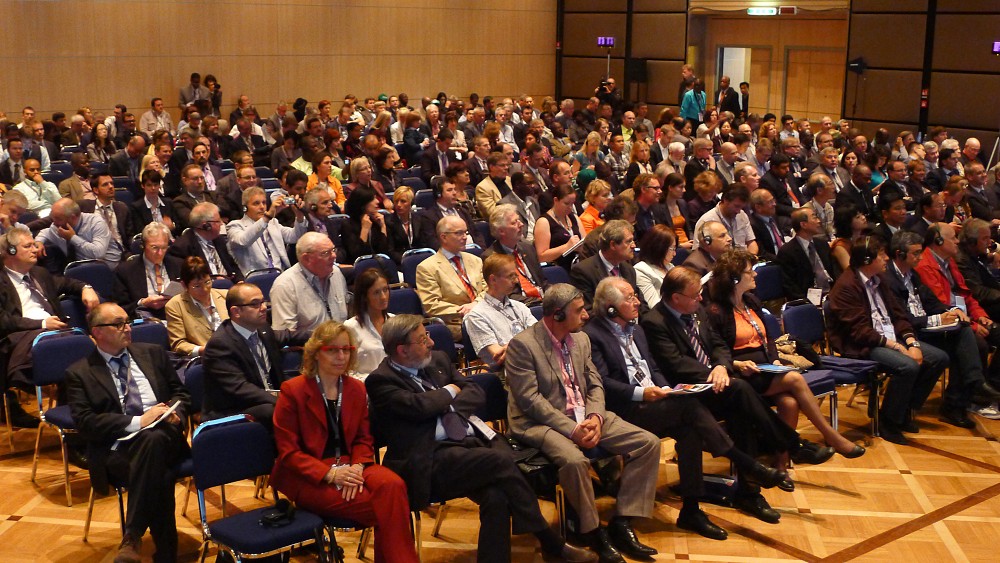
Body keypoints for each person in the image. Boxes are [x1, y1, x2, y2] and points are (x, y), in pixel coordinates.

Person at [365, 314, 596, 563]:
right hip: (427, 460)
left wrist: (447, 409)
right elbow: (420, 406)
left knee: (495, 495)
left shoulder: (437, 360)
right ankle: (550, 540)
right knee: (499, 461)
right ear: (402, 350)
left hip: (469, 444)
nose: (431, 343)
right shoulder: (381, 381)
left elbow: (475, 391)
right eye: (422, 339)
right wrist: (451, 390)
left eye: (427, 335)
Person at [585, 277, 789, 540]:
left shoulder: (636, 329)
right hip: (626, 408)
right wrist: (643, 393)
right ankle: (748, 464)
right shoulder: (593, 335)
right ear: (611, 308)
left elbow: (653, 368)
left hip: (657, 400)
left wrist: (663, 388)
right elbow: (602, 382)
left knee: (692, 428)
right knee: (690, 408)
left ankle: (691, 510)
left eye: (636, 295)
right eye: (629, 298)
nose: (637, 302)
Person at [641, 267, 835, 522]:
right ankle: (791, 445)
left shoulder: (696, 310)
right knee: (741, 389)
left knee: (741, 411)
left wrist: (722, 366)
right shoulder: (655, 322)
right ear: (676, 298)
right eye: (695, 294)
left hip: (717, 384)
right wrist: (714, 373)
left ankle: (749, 492)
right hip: (688, 393)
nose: (701, 298)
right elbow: (676, 364)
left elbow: (718, 345)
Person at [504, 284, 661, 561]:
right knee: (575, 461)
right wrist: (573, 429)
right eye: (579, 311)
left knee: (647, 443)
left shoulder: (581, 340)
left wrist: (595, 417)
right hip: (540, 422)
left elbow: (595, 384)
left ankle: (623, 521)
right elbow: (530, 401)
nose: (586, 315)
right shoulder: (523, 345)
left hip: (585, 415)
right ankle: (592, 530)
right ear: (558, 314)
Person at [270, 321, 420, 563]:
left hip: (352, 464)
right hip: (309, 474)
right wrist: (331, 475)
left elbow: (363, 438)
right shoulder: (293, 390)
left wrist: (358, 467)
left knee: (394, 485)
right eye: (332, 350)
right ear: (316, 353)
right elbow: (289, 453)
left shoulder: (356, 389)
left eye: (346, 349)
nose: (341, 356)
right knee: (391, 508)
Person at [705, 250, 865, 472]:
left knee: (789, 403)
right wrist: (737, 365)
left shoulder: (751, 301)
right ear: (734, 279)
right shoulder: (716, 311)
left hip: (765, 369)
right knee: (795, 379)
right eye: (749, 272)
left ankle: (782, 463)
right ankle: (832, 437)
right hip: (742, 374)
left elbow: (769, 339)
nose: (755, 275)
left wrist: (775, 360)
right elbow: (715, 350)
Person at [66, 302, 190, 563]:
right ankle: (166, 553)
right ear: (97, 331)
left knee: (154, 439)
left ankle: (132, 536)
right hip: (118, 449)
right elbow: (86, 422)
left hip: (167, 434)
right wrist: (139, 421)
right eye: (119, 324)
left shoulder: (153, 353)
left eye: (128, 322)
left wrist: (176, 412)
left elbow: (181, 393)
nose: (128, 328)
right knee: (158, 468)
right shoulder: (79, 373)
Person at [826, 236, 949, 444]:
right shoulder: (846, 286)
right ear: (867, 260)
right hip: (862, 345)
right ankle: (888, 422)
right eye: (881, 255)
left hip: (890, 336)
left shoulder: (880, 279)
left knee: (938, 358)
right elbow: (860, 332)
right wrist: (898, 347)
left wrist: (911, 343)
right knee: (908, 366)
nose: (886, 258)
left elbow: (899, 315)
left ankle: (905, 410)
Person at [882, 231, 1000, 427]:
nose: (920, 257)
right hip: (905, 332)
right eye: (915, 253)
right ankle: (910, 408)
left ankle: (966, 393)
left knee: (964, 331)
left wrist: (952, 311)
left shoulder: (912, 274)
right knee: (943, 354)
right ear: (899, 254)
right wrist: (938, 318)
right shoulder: (889, 280)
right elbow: (901, 318)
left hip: (923, 327)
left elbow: (931, 301)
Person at [0, 227, 100, 427]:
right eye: (27, 246)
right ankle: (73, 417)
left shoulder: (39, 273)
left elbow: (67, 283)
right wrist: (42, 324)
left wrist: (86, 288)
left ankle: (75, 413)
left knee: (78, 349)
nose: (35, 249)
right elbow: (3, 321)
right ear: (11, 251)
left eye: (34, 245)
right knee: (73, 351)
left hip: (55, 333)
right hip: (19, 337)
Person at [202, 283, 306, 430]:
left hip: (266, 398)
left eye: (263, 302)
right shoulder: (220, 344)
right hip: (234, 409)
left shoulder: (261, 328)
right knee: (276, 410)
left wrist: (322, 336)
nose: (263, 308)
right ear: (236, 311)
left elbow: (287, 336)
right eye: (255, 304)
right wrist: (283, 400)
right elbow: (240, 388)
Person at [415, 216, 486, 340]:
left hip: (485, 314)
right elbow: (432, 305)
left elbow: (488, 289)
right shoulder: (427, 268)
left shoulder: (475, 260)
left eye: (466, 232)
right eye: (459, 233)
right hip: (458, 323)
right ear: (444, 237)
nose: (465, 237)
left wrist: (476, 304)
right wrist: (465, 310)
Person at [464, 254, 538, 372]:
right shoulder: (476, 316)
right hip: (506, 372)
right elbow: (498, 355)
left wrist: (513, 345)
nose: (516, 281)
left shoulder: (520, 307)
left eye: (515, 275)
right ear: (493, 279)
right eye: (510, 276)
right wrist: (526, 341)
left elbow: (540, 336)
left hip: (533, 363)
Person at [270, 231, 350, 331]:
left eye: (333, 250)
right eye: (326, 253)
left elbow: (347, 313)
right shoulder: (285, 286)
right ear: (307, 258)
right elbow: (284, 334)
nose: (334, 256)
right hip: (310, 341)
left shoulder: (336, 273)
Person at [226, 187, 308, 276]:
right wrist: (267, 217)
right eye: (256, 203)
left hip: (281, 275)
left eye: (264, 203)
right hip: (256, 279)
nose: (262, 207)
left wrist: (299, 216)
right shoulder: (235, 226)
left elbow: (295, 237)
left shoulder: (272, 222)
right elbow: (244, 241)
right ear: (245, 208)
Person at [570, 219, 646, 314]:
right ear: (613, 245)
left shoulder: (629, 269)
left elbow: (641, 305)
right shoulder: (583, 271)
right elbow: (588, 311)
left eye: (633, 241)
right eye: (628, 241)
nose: (633, 245)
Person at [112, 222, 181, 320]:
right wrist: (142, 303)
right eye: (155, 248)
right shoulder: (125, 271)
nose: (160, 253)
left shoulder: (178, 265)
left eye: (164, 247)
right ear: (143, 245)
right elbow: (120, 308)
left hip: (177, 316)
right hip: (145, 320)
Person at [482, 204, 547, 305]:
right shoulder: (491, 257)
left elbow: (543, 282)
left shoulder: (528, 248)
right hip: (520, 305)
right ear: (501, 231)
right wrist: (538, 302)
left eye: (519, 220)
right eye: (514, 223)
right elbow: (506, 294)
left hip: (541, 300)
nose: (521, 224)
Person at [165, 256, 228, 357]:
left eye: (207, 282)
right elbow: (178, 344)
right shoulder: (175, 306)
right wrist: (204, 350)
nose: (205, 289)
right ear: (184, 285)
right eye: (197, 286)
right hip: (206, 358)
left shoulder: (226, 296)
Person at [166, 202, 243, 282]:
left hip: (229, 285)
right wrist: (213, 280)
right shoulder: (182, 247)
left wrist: (239, 281)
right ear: (206, 226)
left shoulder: (219, 240)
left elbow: (232, 267)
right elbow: (189, 279)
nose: (221, 224)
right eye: (218, 221)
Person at [35, 197, 117, 272]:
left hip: (106, 267)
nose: (54, 222)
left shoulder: (96, 223)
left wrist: (72, 238)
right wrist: (39, 242)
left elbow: (98, 254)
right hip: (76, 269)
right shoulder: (58, 226)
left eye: (58, 219)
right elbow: (45, 232)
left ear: (73, 217)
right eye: (53, 218)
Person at [776, 208, 837, 301]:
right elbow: (790, 285)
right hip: (808, 298)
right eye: (814, 217)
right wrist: (808, 302)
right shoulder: (787, 252)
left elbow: (834, 271)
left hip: (833, 293)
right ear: (803, 224)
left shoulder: (822, 244)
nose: (819, 221)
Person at [343, 269, 393, 379]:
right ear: (365, 297)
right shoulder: (350, 327)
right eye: (376, 292)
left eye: (385, 290)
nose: (383, 297)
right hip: (367, 385)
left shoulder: (395, 321)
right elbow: (348, 371)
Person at [414, 176, 482, 250]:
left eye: (455, 189)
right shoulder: (429, 216)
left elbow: (476, 234)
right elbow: (433, 243)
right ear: (439, 194)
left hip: (473, 251)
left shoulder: (463, 211)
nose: (454, 193)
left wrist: (481, 250)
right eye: (449, 190)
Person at [533, 183, 584, 273]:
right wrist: (566, 247)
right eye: (566, 203)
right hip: (559, 270)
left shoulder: (574, 217)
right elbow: (541, 256)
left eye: (572, 204)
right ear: (556, 200)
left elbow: (585, 241)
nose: (570, 207)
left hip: (578, 266)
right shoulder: (544, 222)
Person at [634, 224, 676, 308]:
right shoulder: (641, 270)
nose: (674, 254)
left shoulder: (669, 266)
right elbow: (653, 305)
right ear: (660, 248)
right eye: (672, 249)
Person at [130, 170, 176, 235]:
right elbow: (140, 231)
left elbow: (179, 226)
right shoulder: (136, 207)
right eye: (149, 185)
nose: (153, 188)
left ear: (159, 185)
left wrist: (172, 226)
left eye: (155, 185)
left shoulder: (168, 203)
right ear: (143, 186)